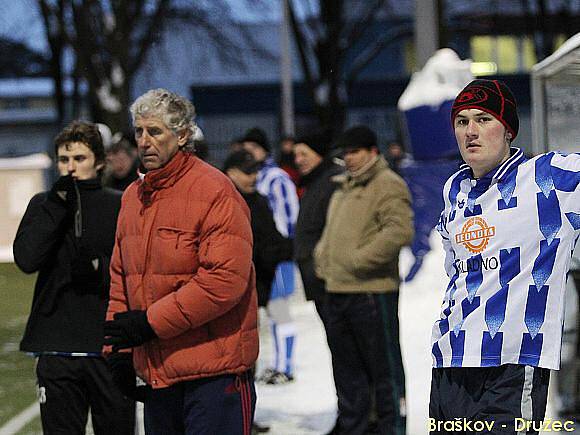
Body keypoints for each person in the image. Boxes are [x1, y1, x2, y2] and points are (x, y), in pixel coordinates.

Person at [103, 89, 258, 435]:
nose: (144, 141)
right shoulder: (132, 197)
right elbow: (121, 277)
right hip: (159, 375)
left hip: (215, 374)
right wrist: (118, 350)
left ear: (183, 135)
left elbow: (223, 281)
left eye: (155, 131)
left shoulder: (216, 190)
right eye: (139, 132)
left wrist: (150, 323)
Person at [429, 79, 580, 434]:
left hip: (512, 363)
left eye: (483, 119)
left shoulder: (548, 178)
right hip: (451, 361)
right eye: (462, 121)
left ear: (508, 129)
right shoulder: (455, 190)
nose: (471, 131)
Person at [13, 121, 135, 434]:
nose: (71, 167)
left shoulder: (120, 204)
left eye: (79, 159)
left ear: (99, 161)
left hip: (108, 346)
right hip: (56, 347)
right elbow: (27, 260)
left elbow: (136, 267)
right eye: (64, 160)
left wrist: (99, 268)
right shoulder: (43, 204)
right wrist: (57, 204)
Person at [314, 125, 414, 435]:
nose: (349, 158)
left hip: (372, 292)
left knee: (384, 371)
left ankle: (391, 427)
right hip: (338, 290)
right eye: (345, 153)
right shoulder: (343, 186)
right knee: (348, 372)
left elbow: (398, 231)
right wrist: (323, 257)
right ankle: (354, 427)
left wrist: (358, 260)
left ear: (372, 151)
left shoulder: (387, 184)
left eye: (354, 151)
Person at [242, 127, 300, 384]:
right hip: (264, 256)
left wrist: (283, 247)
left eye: (254, 147)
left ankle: (285, 366)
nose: (249, 152)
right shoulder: (258, 176)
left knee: (281, 311)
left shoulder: (276, 178)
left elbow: (289, 215)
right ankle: (278, 362)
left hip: (279, 255)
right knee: (272, 314)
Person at [293, 129, 342, 326]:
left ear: (319, 153)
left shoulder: (333, 182)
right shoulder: (313, 183)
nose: (298, 160)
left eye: (304, 154)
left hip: (331, 281)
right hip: (317, 281)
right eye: (296, 154)